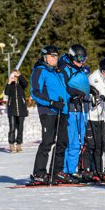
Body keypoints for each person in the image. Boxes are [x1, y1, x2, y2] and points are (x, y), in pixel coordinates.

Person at [27, 45, 70, 184]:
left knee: (62, 142)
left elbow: (64, 91)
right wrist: (51, 103)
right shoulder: (40, 71)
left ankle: (56, 172)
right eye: (53, 56)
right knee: (47, 142)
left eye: (57, 56)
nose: (55, 58)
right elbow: (35, 93)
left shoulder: (57, 72)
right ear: (45, 57)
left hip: (62, 111)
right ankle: (39, 173)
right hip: (49, 111)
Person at [60, 45, 90, 178]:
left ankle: (72, 168)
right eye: (79, 58)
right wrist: (75, 93)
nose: (81, 61)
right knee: (72, 140)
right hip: (71, 108)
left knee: (80, 140)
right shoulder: (64, 68)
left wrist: (92, 90)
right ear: (72, 56)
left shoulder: (79, 69)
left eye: (84, 58)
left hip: (82, 108)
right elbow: (63, 86)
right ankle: (67, 170)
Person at [5, 69, 28, 153]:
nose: (14, 77)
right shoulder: (10, 85)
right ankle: (11, 144)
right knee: (12, 127)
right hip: (12, 110)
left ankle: (19, 145)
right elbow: (6, 92)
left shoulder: (21, 84)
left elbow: (26, 84)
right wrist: (9, 82)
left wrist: (20, 75)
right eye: (13, 75)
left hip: (21, 109)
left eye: (15, 76)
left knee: (20, 128)